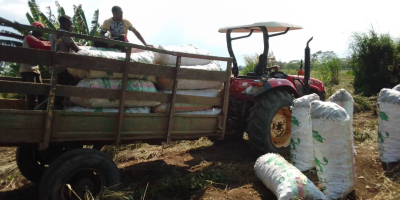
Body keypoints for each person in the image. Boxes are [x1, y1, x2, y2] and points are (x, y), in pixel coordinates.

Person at [49, 15, 80, 109]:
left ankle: (56, 108)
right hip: (63, 68)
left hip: (55, 66)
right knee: (76, 84)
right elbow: (76, 49)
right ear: (66, 24)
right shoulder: (64, 33)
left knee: (57, 91)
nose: (72, 26)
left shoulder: (53, 33)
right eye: (71, 24)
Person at [19, 22, 51, 110]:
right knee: (31, 94)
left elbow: (44, 43)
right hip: (28, 70)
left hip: (34, 70)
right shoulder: (30, 37)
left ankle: (39, 112)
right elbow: (42, 45)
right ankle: (31, 114)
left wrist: (53, 43)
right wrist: (57, 45)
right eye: (42, 30)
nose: (43, 32)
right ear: (37, 30)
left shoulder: (35, 38)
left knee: (40, 93)